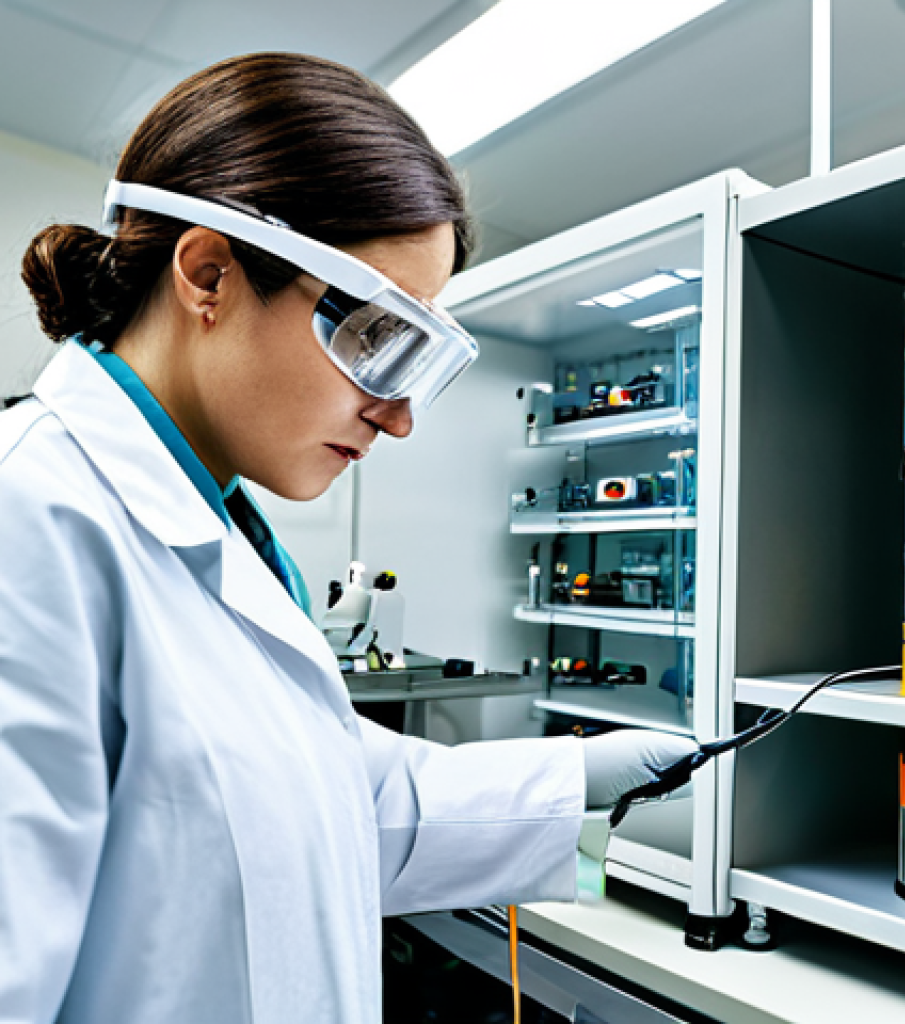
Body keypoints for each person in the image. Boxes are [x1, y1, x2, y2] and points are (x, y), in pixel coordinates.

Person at [0, 53, 696, 1024]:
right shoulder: (32, 523)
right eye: (376, 340)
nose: (398, 416)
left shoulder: (225, 533)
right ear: (208, 273)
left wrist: (576, 773)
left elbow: (333, 801)